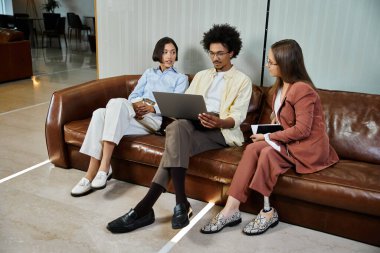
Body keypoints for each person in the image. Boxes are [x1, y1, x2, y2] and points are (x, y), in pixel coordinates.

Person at [107, 24, 252, 233]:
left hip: (221, 130)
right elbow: (185, 102)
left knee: (175, 138)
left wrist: (219, 121)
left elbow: (237, 116)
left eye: (220, 53)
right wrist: (183, 111)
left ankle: (147, 208)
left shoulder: (243, 81)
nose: (215, 58)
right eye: (211, 53)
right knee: (176, 126)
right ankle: (179, 204)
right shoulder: (202, 75)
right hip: (193, 122)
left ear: (232, 52)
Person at [200, 39, 339, 235]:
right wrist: (268, 131)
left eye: (271, 62)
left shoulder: (303, 89)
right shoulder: (279, 89)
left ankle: (267, 212)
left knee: (266, 154)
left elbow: (302, 131)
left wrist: (268, 138)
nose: (267, 65)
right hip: (290, 142)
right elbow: (283, 123)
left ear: (286, 63)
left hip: (307, 147)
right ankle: (231, 209)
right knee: (251, 148)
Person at [70, 37, 189, 197]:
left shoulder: (181, 78)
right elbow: (134, 95)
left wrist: (151, 108)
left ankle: (104, 167)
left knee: (116, 103)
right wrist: (135, 107)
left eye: (173, 52)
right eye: (165, 52)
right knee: (99, 113)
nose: (169, 56)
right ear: (158, 54)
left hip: (154, 119)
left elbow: (175, 104)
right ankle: (90, 174)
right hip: (136, 112)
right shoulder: (148, 73)